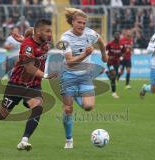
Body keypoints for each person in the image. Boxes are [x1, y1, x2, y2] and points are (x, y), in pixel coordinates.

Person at [0, 19, 57, 151]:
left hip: (33, 85)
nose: (50, 34)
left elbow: (31, 30)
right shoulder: (28, 45)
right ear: (39, 32)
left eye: (50, 31)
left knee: (37, 107)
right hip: (16, 84)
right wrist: (46, 75)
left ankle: (24, 141)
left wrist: (23, 37)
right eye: (47, 31)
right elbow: (29, 68)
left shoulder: (43, 41)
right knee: (3, 114)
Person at [59, 7, 108, 149]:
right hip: (68, 75)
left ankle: (74, 95)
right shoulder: (64, 39)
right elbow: (69, 61)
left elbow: (100, 41)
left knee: (89, 107)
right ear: (72, 22)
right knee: (68, 110)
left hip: (85, 75)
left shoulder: (90, 33)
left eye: (84, 23)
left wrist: (104, 55)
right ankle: (69, 140)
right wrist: (86, 55)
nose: (82, 25)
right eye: (79, 22)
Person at [106, 31, 126, 98]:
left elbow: (124, 52)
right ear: (114, 36)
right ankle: (114, 93)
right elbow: (105, 51)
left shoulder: (122, 44)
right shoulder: (110, 44)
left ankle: (106, 71)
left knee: (114, 76)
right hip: (110, 62)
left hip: (117, 63)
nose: (117, 36)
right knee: (113, 76)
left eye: (118, 35)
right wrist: (107, 56)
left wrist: (121, 57)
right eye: (116, 35)